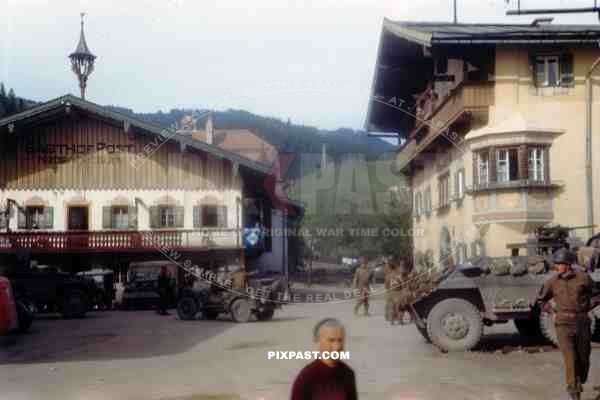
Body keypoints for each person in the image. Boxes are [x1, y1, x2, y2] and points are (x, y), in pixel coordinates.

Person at [538, 248, 593, 400]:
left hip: (582, 322)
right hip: (563, 325)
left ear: (568, 264)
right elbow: (541, 300)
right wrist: (552, 311)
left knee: (583, 358)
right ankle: (574, 393)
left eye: (560, 263)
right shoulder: (552, 282)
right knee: (571, 360)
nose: (557, 266)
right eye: (556, 264)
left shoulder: (584, 278)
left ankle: (580, 380)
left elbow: (596, 294)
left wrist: (587, 306)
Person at [290, 318, 357, 400]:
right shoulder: (306, 377)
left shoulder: (348, 374)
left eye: (340, 340)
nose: (337, 346)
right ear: (317, 341)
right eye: (331, 340)